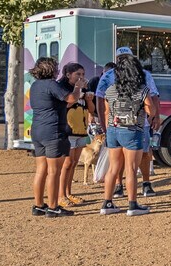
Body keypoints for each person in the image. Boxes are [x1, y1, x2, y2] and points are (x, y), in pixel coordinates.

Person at [96, 48, 161, 199]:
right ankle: (130, 200)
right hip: (135, 126)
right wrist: (152, 114)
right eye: (121, 57)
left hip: (116, 126)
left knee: (121, 162)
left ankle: (109, 201)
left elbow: (104, 103)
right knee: (130, 166)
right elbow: (151, 102)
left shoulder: (113, 86)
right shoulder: (114, 78)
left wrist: (107, 123)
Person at [29, 57, 81, 217]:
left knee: (41, 170)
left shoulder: (35, 86)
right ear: (51, 69)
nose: (58, 70)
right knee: (54, 171)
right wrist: (78, 87)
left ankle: (38, 205)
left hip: (38, 130)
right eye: (56, 68)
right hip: (53, 131)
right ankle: (53, 207)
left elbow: (58, 103)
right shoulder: (51, 84)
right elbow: (72, 99)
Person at [57, 63, 95, 208]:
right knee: (66, 164)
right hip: (68, 131)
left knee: (73, 163)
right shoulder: (63, 89)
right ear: (68, 75)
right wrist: (78, 90)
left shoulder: (84, 89)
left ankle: (68, 193)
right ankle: (60, 195)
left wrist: (89, 99)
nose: (81, 77)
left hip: (81, 130)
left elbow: (91, 110)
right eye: (78, 74)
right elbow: (65, 105)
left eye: (83, 74)